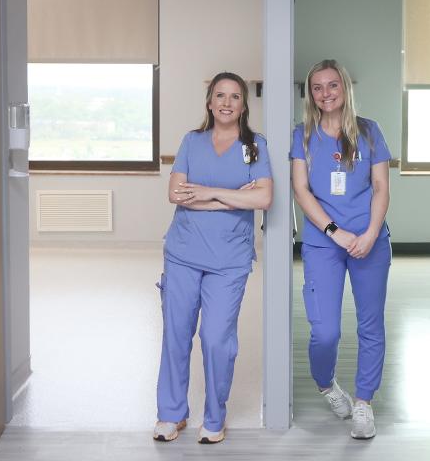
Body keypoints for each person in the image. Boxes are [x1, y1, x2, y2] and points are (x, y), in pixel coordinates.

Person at [153, 72, 272, 445]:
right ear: (209, 101)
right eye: (219, 95)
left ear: (243, 105)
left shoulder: (254, 146)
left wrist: (205, 192)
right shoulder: (192, 141)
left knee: (217, 339)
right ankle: (171, 414)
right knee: (176, 336)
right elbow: (177, 194)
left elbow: (263, 199)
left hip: (230, 259)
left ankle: (215, 417)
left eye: (234, 96)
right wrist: (233, 194)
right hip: (183, 254)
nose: (226, 102)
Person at [290, 59, 391, 440]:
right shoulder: (301, 135)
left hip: (370, 241)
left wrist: (369, 233)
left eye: (333, 85)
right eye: (317, 87)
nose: (326, 93)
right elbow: (301, 190)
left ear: (345, 88)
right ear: (310, 94)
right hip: (323, 242)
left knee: (370, 325)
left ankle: (364, 402)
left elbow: (381, 187)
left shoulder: (369, 131)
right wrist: (334, 231)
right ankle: (327, 385)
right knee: (325, 331)